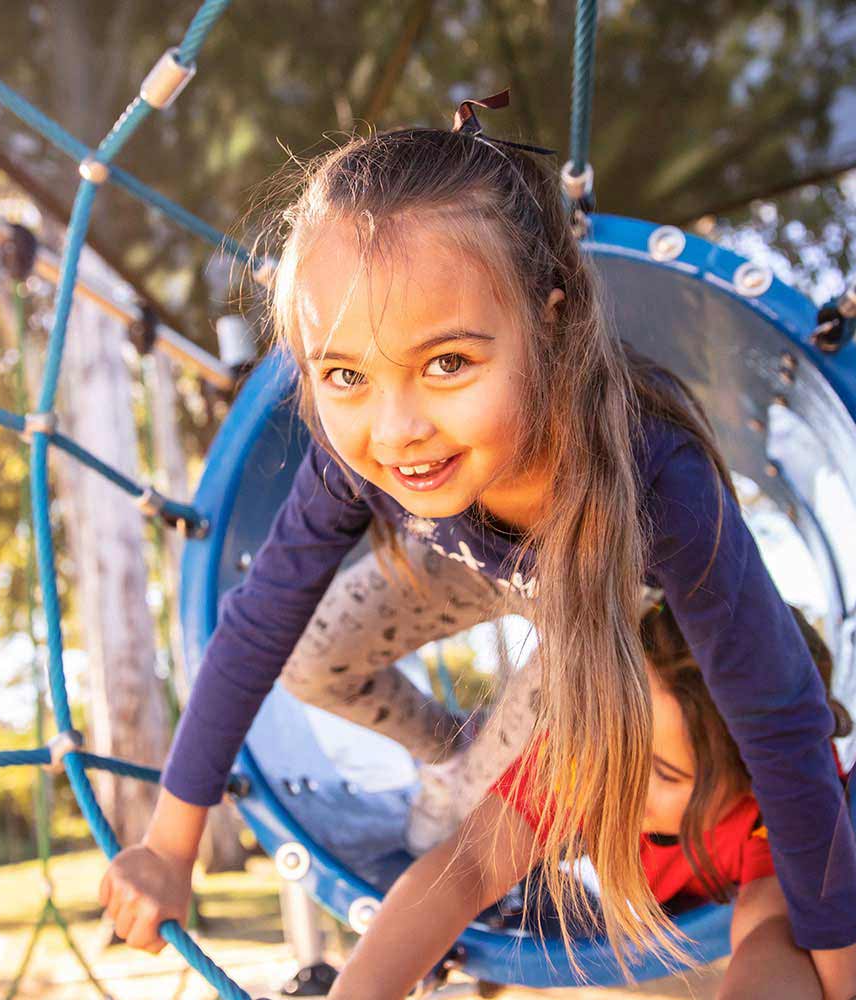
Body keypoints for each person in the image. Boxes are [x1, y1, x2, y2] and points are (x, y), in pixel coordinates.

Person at [98, 97, 856, 986]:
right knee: (308, 653)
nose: (397, 426)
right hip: (464, 549)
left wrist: (839, 968)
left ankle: (474, 775)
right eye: (343, 373)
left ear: (550, 322)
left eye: (448, 362)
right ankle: (455, 746)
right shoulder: (364, 458)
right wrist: (170, 845)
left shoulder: (658, 478)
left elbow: (779, 715)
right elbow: (259, 620)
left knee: (460, 827)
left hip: (597, 581)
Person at [325, 603, 853, 1000]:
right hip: (605, 875)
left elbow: (770, 936)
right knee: (516, 862)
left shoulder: (785, 807)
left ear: (752, 781)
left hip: (688, 892)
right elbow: (472, 864)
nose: (623, 780)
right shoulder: (589, 753)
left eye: (662, 773)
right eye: (619, 741)